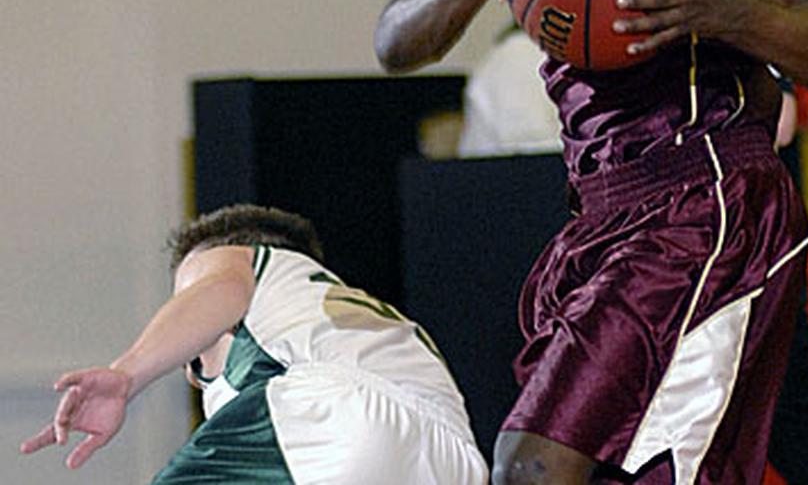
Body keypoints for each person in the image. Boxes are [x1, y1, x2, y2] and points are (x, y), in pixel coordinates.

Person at [376, 0, 808, 483]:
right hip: (602, 210)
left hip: (707, 198)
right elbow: (394, 40)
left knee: (533, 464)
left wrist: (734, 13)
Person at [20, 204, 488, 484]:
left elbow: (221, 290)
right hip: (455, 464)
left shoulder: (230, 259)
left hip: (331, 417)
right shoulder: (334, 311)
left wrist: (127, 373)